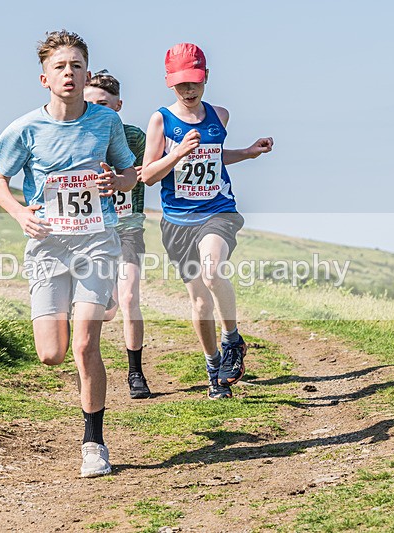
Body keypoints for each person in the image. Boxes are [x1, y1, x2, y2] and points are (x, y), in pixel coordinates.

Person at [0, 30, 137, 477]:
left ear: (87, 72)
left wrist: (119, 182)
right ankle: (92, 303)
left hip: (96, 237)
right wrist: (18, 214)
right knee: (51, 354)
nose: (68, 73)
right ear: (44, 78)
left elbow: (130, 173)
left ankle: (94, 443)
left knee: (85, 344)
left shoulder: (105, 123)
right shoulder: (25, 128)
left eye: (75, 66)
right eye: (60, 67)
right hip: (49, 244)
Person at [141, 42, 273, 400]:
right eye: (181, 83)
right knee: (199, 302)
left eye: (194, 82)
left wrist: (247, 152)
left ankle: (232, 340)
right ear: (170, 82)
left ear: (206, 78)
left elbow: (215, 157)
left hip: (218, 212)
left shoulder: (220, 115)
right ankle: (214, 369)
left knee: (213, 272)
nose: (188, 89)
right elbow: (149, 175)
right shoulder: (161, 120)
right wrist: (178, 152)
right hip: (178, 220)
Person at [84, 70, 151, 400]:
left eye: (104, 104)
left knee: (129, 298)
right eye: (91, 103)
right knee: (105, 309)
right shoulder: (79, 137)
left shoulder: (134, 138)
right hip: (93, 230)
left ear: (118, 105)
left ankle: (135, 371)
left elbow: (149, 170)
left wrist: (134, 175)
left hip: (128, 228)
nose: (98, 108)